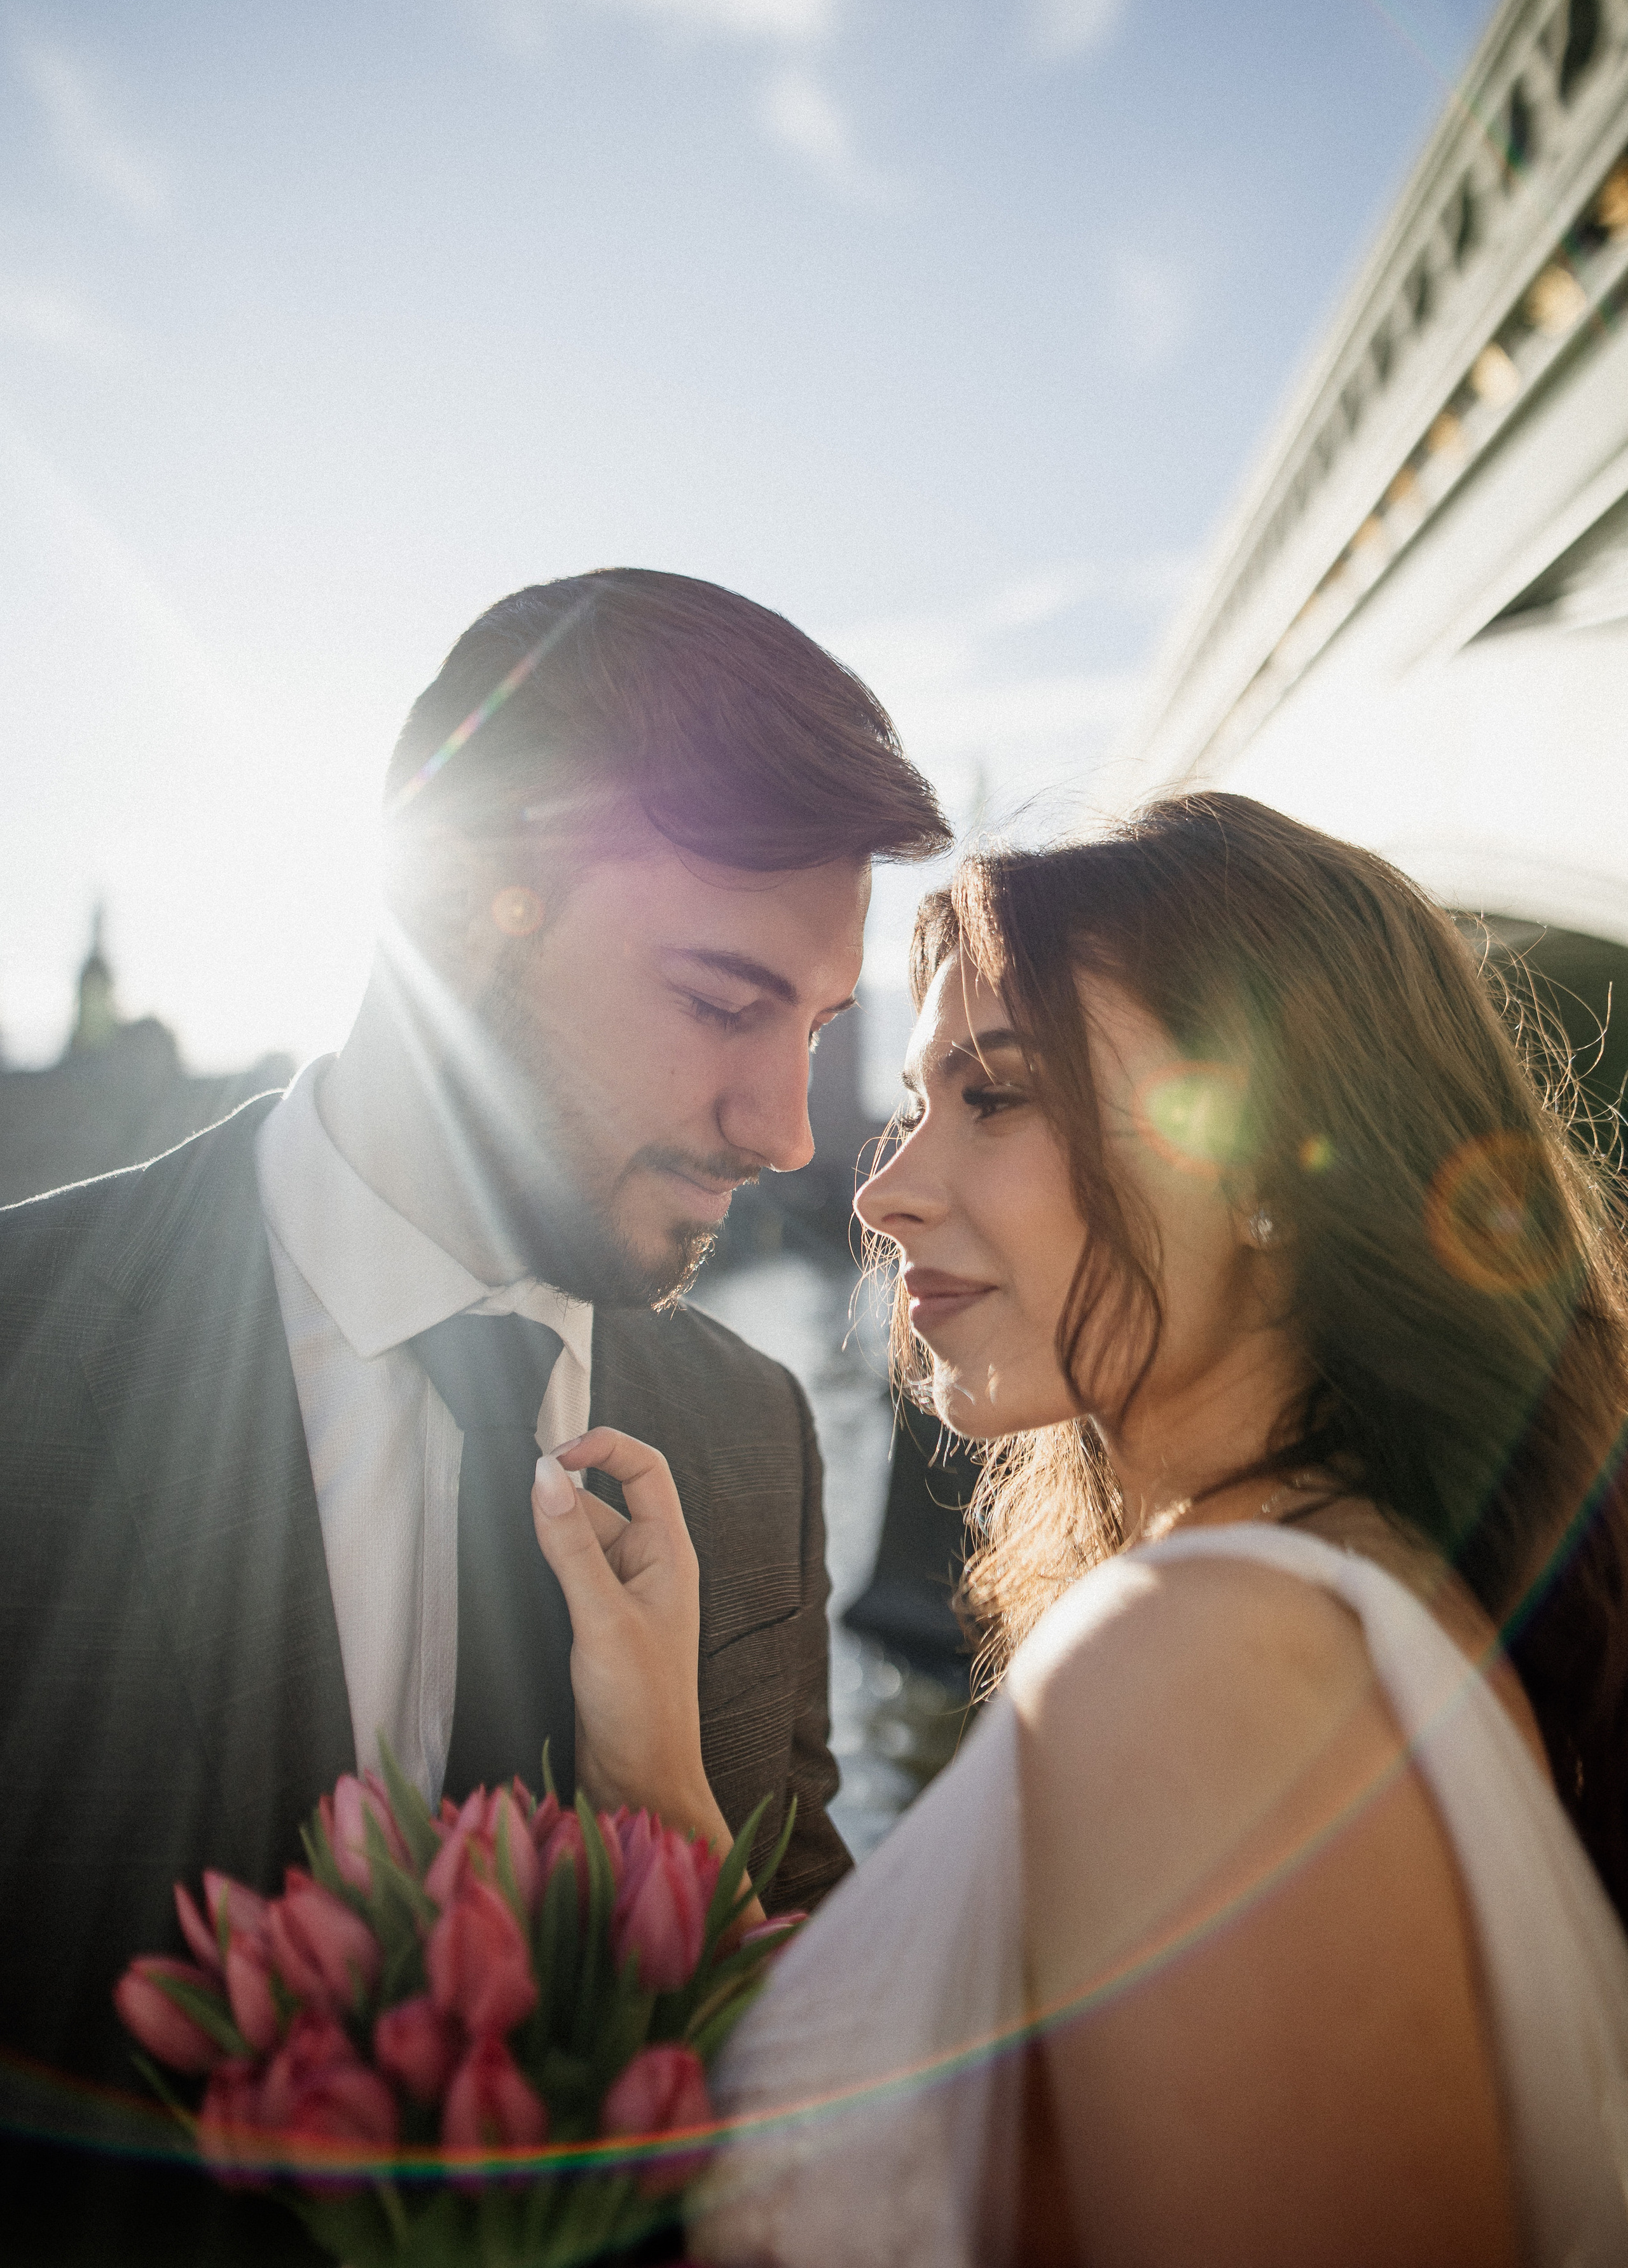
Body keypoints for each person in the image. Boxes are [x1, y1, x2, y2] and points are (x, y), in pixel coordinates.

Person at [534, 791, 1628, 2265]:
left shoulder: (1204, 1665)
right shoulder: (1357, 1599)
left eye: (996, 1097)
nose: (883, 1188)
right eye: (914, 1104)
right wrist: (666, 1793)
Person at [0, 568, 949, 2264]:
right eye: (725, 1005)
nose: (788, 1130)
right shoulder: (24, 1351)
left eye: (812, 1031)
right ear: (448, 912)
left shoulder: (748, 1437)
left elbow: (792, 2010)